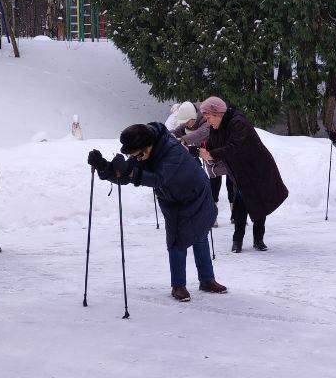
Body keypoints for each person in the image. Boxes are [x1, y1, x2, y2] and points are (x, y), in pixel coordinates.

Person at [87, 122, 226, 302]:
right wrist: (104, 167)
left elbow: (159, 179)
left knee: (199, 235)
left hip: (197, 194)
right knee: (178, 239)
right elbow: (128, 175)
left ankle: (204, 280)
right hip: (174, 200)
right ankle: (181, 285)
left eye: (136, 154)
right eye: (132, 155)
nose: (135, 158)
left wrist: (130, 171)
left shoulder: (172, 151)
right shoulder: (146, 152)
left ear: (147, 146)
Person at [198, 96, 289, 253]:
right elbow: (211, 145)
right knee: (240, 205)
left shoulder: (238, 122)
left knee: (259, 203)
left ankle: (258, 239)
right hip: (240, 171)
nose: (207, 121)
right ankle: (237, 241)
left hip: (258, 168)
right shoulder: (216, 127)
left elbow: (234, 147)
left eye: (208, 117)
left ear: (217, 113)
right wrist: (195, 150)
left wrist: (211, 155)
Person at [167, 101, 232, 227]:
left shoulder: (206, 118)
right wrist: (165, 136)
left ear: (193, 117)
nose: (186, 125)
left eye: (188, 122)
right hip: (209, 157)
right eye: (184, 122)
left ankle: (235, 214)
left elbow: (203, 131)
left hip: (223, 153)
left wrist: (183, 140)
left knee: (232, 185)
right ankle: (213, 216)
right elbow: (177, 131)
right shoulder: (189, 119)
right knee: (213, 186)